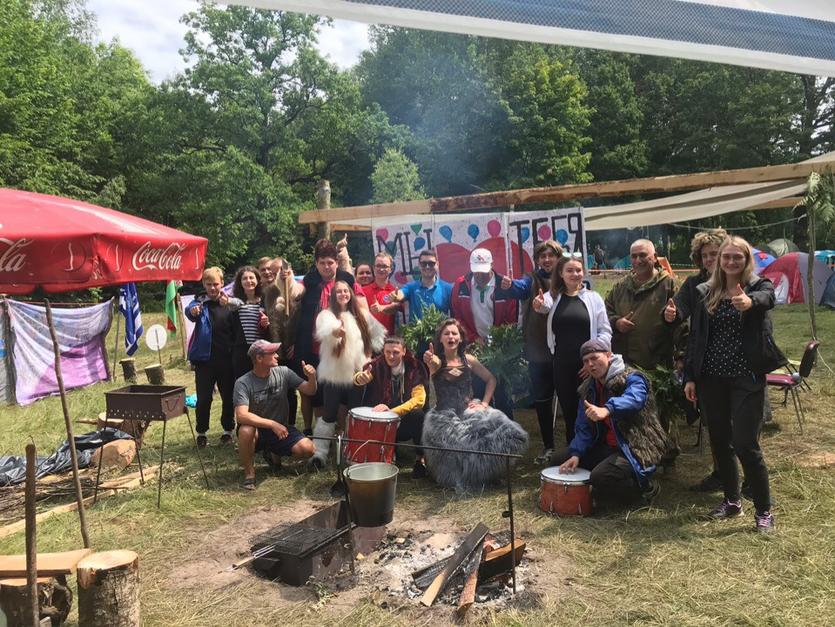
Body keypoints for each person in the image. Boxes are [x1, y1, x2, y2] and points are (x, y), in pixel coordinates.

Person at [683, 236, 785, 533]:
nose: (729, 262)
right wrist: (690, 376)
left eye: (736, 257)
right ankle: (732, 501)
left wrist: (749, 302)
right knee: (720, 441)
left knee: (745, 444)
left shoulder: (758, 286)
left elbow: (770, 299)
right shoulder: (706, 291)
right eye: (725, 257)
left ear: (745, 259)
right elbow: (696, 338)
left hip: (746, 378)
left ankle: (764, 510)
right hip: (712, 378)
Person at [551, 338, 671, 505]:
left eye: (595, 358)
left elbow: (634, 399)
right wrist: (577, 454)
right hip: (606, 446)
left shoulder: (633, 378)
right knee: (559, 460)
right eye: (586, 361)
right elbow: (584, 427)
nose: (591, 364)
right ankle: (601, 483)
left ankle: (644, 489)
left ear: (608, 355)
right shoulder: (588, 388)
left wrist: (607, 409)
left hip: (635, 446)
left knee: (600, 477)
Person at [420, 319, 528, 491]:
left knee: (510, 432)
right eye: (446, 333)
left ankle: (488, 473)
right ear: (440, 339)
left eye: (454, 333)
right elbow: (434, 364)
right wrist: (430, 360)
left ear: (461, 338)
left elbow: (491, 379)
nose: (451, 337)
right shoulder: (437, 361)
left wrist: (484, 403)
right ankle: (471, 478)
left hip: (470, 411)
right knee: (462, 446)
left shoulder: (469, 359)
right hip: (444, 417)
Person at [664, 228, 726, 491]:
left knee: (743, 429)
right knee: (714, 424)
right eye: (705, 256)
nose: (710, 260)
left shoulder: (742, 280)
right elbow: (678, 310)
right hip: (706, 365)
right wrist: (671, 313)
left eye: (715, 254)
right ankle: (721, 473)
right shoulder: (693, 285)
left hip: (740, 366)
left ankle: (748, 479)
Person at [289, 239, 368, 437]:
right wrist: (290, 279)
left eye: (330, 262)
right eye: (322, 262)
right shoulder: (310, 280)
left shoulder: (347, 280)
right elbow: (296, 293)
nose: (326, 266)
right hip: (314, 348)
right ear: (316, 264)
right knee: (318, 395)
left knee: (340, 392)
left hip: (343, 350)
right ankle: (323, 435)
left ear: (336, 262)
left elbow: (362, 309)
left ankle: (341, 434)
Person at [532, 253, 611, 446]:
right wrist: (539, 305)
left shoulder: (594, 298)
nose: (575, 274)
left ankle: (593, 452)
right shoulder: (553, 296)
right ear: (561, 273)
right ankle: (573, 452)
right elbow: (544, 306)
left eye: (578, 270)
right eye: (569, 270)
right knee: (569, 413)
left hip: (588, 367)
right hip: (562, 366)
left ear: (583, 272)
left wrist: (594, 361)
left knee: (590, 410)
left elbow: (605, 331)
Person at [310, 280, 385, 468]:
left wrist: (369, 356)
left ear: (351, 293)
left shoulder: (362, 315)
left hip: (356, 376)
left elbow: (378, 335)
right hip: (333, 375)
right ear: (333, 296)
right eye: (339, 292)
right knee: (329, 414)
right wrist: (336, 331)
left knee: (354, 415)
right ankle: (319, 454)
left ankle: (353, 453)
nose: (343, 294)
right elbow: (325, 330)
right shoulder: (326, 315)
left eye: (346, 291)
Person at [502, 240, 562, 461]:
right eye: (542, 256)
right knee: (543, 400)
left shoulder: (567, 278)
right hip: (539, 351)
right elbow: (518, 287)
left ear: (558, 257)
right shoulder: (531, 280)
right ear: (537, 260)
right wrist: (509, 286)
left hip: (564, 351)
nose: (546, 260)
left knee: (568, 399)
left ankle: (576, 445)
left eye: (550, 256)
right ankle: (548, 446)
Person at [233, 340, 318, 490]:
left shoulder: (284, 372)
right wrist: (272, 424)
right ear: (259, 358)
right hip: (258, 431)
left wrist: (312, 377)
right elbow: (241, 416)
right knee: (246, 430)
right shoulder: (243, 383)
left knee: (308, 449)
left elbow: (310, 391)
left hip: (281, 430)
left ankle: (272, 452)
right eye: (272, 353)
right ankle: (249, 474)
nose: (277, 356)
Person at [450, 248, 519, 418]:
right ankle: (480, 432)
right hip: (473, 346)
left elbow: (511, 319)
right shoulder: (461, 285)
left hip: (499, 348)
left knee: (502, 394)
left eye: (483, 271)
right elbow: (457, 316)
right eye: (476, 271)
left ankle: (506, 431)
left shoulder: (504, 285)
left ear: (492, 265)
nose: (479, 276)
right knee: (478, 390)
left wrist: (495, 339)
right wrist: (473, 339)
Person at [354, 336, 428, 477]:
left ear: (404, 351)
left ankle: (420, 459)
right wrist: (359, 378)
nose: (391, 356)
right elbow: (364, 376)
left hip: (403, 420)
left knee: (418, 415)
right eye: (387, 352)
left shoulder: (415, 367)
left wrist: (392, 412)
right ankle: (388, 451)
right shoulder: (377, 365)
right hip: (381, 423)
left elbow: (419, 399)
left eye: (395, 352)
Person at [605, 239, 679, 370]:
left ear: (655, 257)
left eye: (643, 255)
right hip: (624, 366)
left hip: (657, 367)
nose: (638, 260)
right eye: (634, 256)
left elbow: (683, 325)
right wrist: (616, 322)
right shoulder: (620, 287)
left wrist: (681, 357)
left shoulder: (669, 285)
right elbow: (605, 313)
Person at [185, 267, 237, 448]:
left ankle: (228, 431)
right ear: (204, 285)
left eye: (216, 284)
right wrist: (193, 311)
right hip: (204, 361)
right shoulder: (199, 302)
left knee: (228, 397)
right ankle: (201, 432)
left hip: (227, 359)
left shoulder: (229, 303)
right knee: (204, 398)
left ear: (222, 283)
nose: (213, 288)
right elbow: (190, 310)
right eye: (209, 284)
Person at [390, 249, 452, 322]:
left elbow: (454, 316)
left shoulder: (448, 289)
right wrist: (397, 296)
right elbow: (402, 293)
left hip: (439, 332)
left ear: (437, 264)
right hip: (416, 332)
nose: (427, 267)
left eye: (431, 263)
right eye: (424, 264)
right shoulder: (411, 287)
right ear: (419, 265)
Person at [230, 265, 268, 380]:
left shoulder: (264, 301)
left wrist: (266, 324)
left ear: (257, 280)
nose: (248, 281)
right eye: (245, 278)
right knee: (243, 382)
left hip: (261, 350)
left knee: (262, 382)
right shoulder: (235, 302)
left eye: (251, 277)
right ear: (240, 282)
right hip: (242, 351)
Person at [363, 252, 400, 335]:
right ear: (373, 268)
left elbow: (397, 307)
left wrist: (381, 308)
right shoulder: (363, 291)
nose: (381, 269)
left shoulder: (395, 291)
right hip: (369, 340)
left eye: (384, 266)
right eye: (378, 266)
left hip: (389, 341)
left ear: (390, 269)